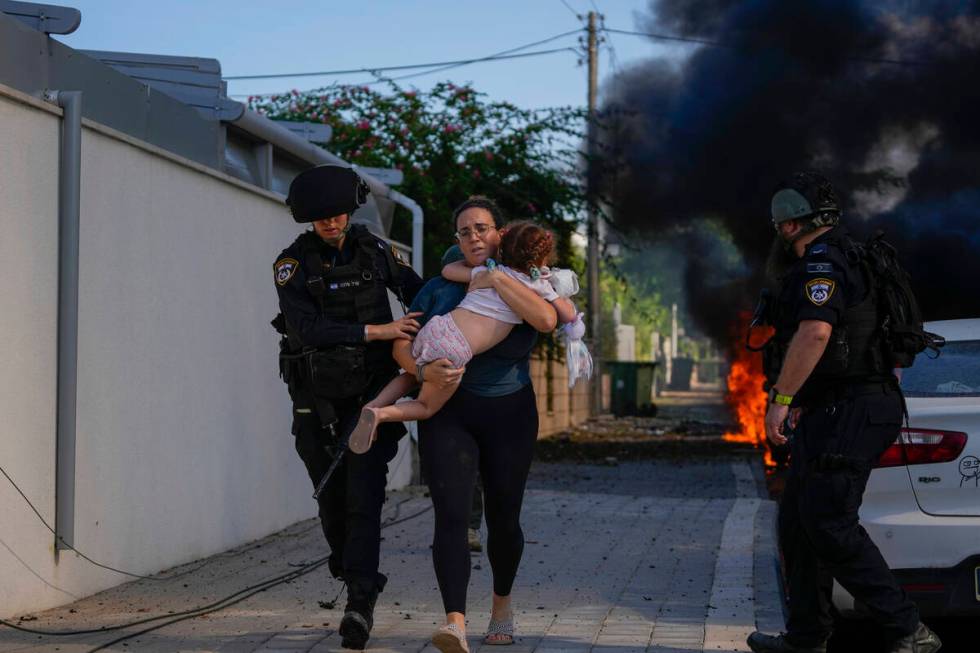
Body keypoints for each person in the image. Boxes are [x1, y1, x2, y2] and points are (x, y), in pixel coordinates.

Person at [747, 172, 941, 653]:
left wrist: (782, 399)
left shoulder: (823, 261)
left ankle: (907, 629)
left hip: (852, 408)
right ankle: (806, 637)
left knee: (830, 523)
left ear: (789, 226)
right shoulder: (851, 255)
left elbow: (815, 333)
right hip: (833, 407)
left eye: (780, 225)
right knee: (798, 522)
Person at [272, 164, 429, 650]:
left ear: (350, 210)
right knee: (330, 496)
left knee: (364, 494)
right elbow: (307, 330)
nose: (331, 224)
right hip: (316, 399)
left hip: (372, 397)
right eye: (321, 219)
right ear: (308, 220)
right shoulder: (291, 265)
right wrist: (378, 331)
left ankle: (359, 603)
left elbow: (421, 295)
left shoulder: (377, 250)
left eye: (337, 215)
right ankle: (349, 565)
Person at [394, 196, 560, 653]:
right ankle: (455, 623)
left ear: (500, 234)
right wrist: (423, 371)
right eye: (465, 231)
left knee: (504, 520)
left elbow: (549, 319)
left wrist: (495, 280)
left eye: (482, 228)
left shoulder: (526, 282)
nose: (473, 237)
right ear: (457, 239)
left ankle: (502, 607)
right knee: (450, 517)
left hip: (510, 414)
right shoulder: (437, 288)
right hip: (450, 413)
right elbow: (402, 347)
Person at [347, 220, 577, 452]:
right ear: (541, 260)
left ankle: (374, 404)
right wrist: (556, 291)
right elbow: (566, 315)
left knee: (412, 375)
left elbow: (448, 270)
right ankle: (380, 414)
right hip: (456, 348)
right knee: (426, 406)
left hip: (439, 327)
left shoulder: (489, 272)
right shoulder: (536, 285)